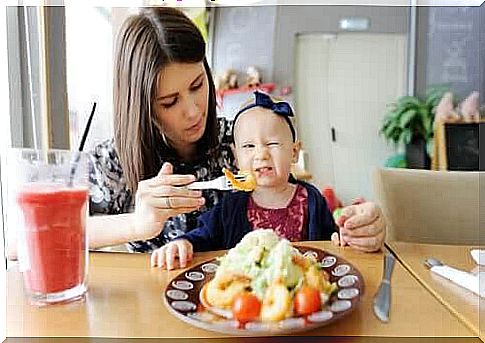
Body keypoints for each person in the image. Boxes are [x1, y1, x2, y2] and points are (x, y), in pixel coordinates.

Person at [86, 7, 385, 256]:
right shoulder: (113, 161)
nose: (193, 111)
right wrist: (137, 225)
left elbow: (293, 202)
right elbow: (64, 234)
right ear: (140, 106)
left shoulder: (240, 141)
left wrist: (359, 226)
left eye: (197, 86)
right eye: (170, 101)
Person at [151, 91, 384, 270]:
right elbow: (203, 236)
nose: (261, 154)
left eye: (272, 144)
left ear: (294, 152)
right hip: (247, 295)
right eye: (249, 146)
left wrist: (346, 236)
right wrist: (182, 243)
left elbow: (331, 241)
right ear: (235, 156)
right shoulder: (230, 205)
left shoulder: (311, 199)